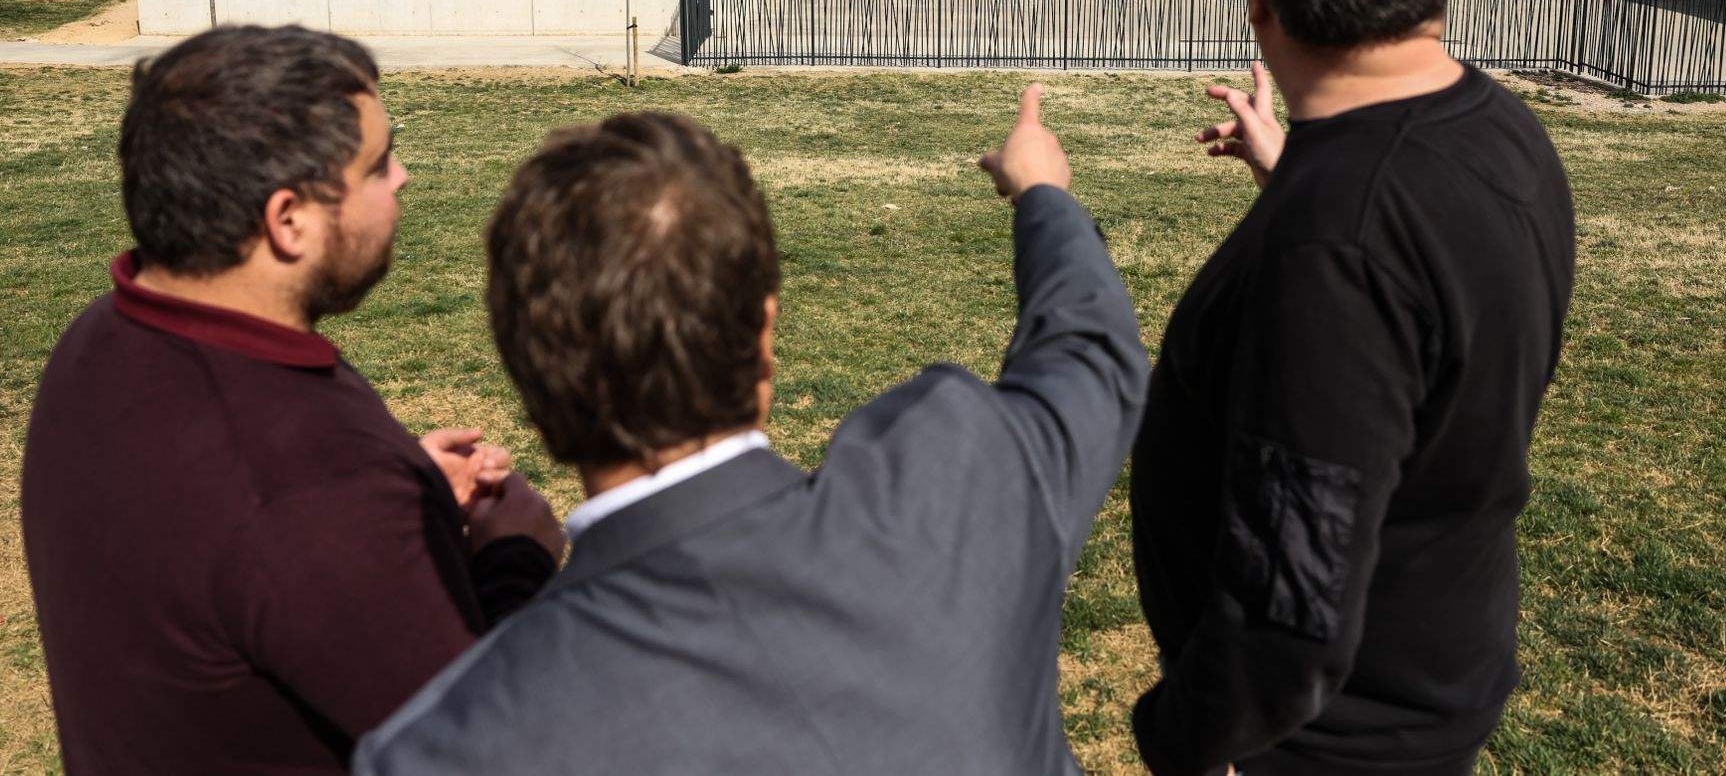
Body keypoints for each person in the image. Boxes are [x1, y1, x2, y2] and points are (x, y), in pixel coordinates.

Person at [356, 90, 1145, 774]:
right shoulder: (958, 482)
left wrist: (510, 588)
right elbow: (1090, 355)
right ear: (765, 331)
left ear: (529, 383)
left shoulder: (440, 749)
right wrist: (1042, 191)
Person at [1130, 0, 1575, 776]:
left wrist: (1177, 740)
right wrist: (1292, 172)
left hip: (1328, 742)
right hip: (1435, 663)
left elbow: (1290, 610)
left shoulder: (1338, 244)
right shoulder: (1502, 131)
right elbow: (1415, 296)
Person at [21, 25, 565, 773]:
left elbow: (238, 547)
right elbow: (496, 752)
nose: (402, 177)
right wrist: (516, 564)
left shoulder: (102, 338)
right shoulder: (308, 488)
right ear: (287, 221)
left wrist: (401, 501)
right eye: (377, 165)